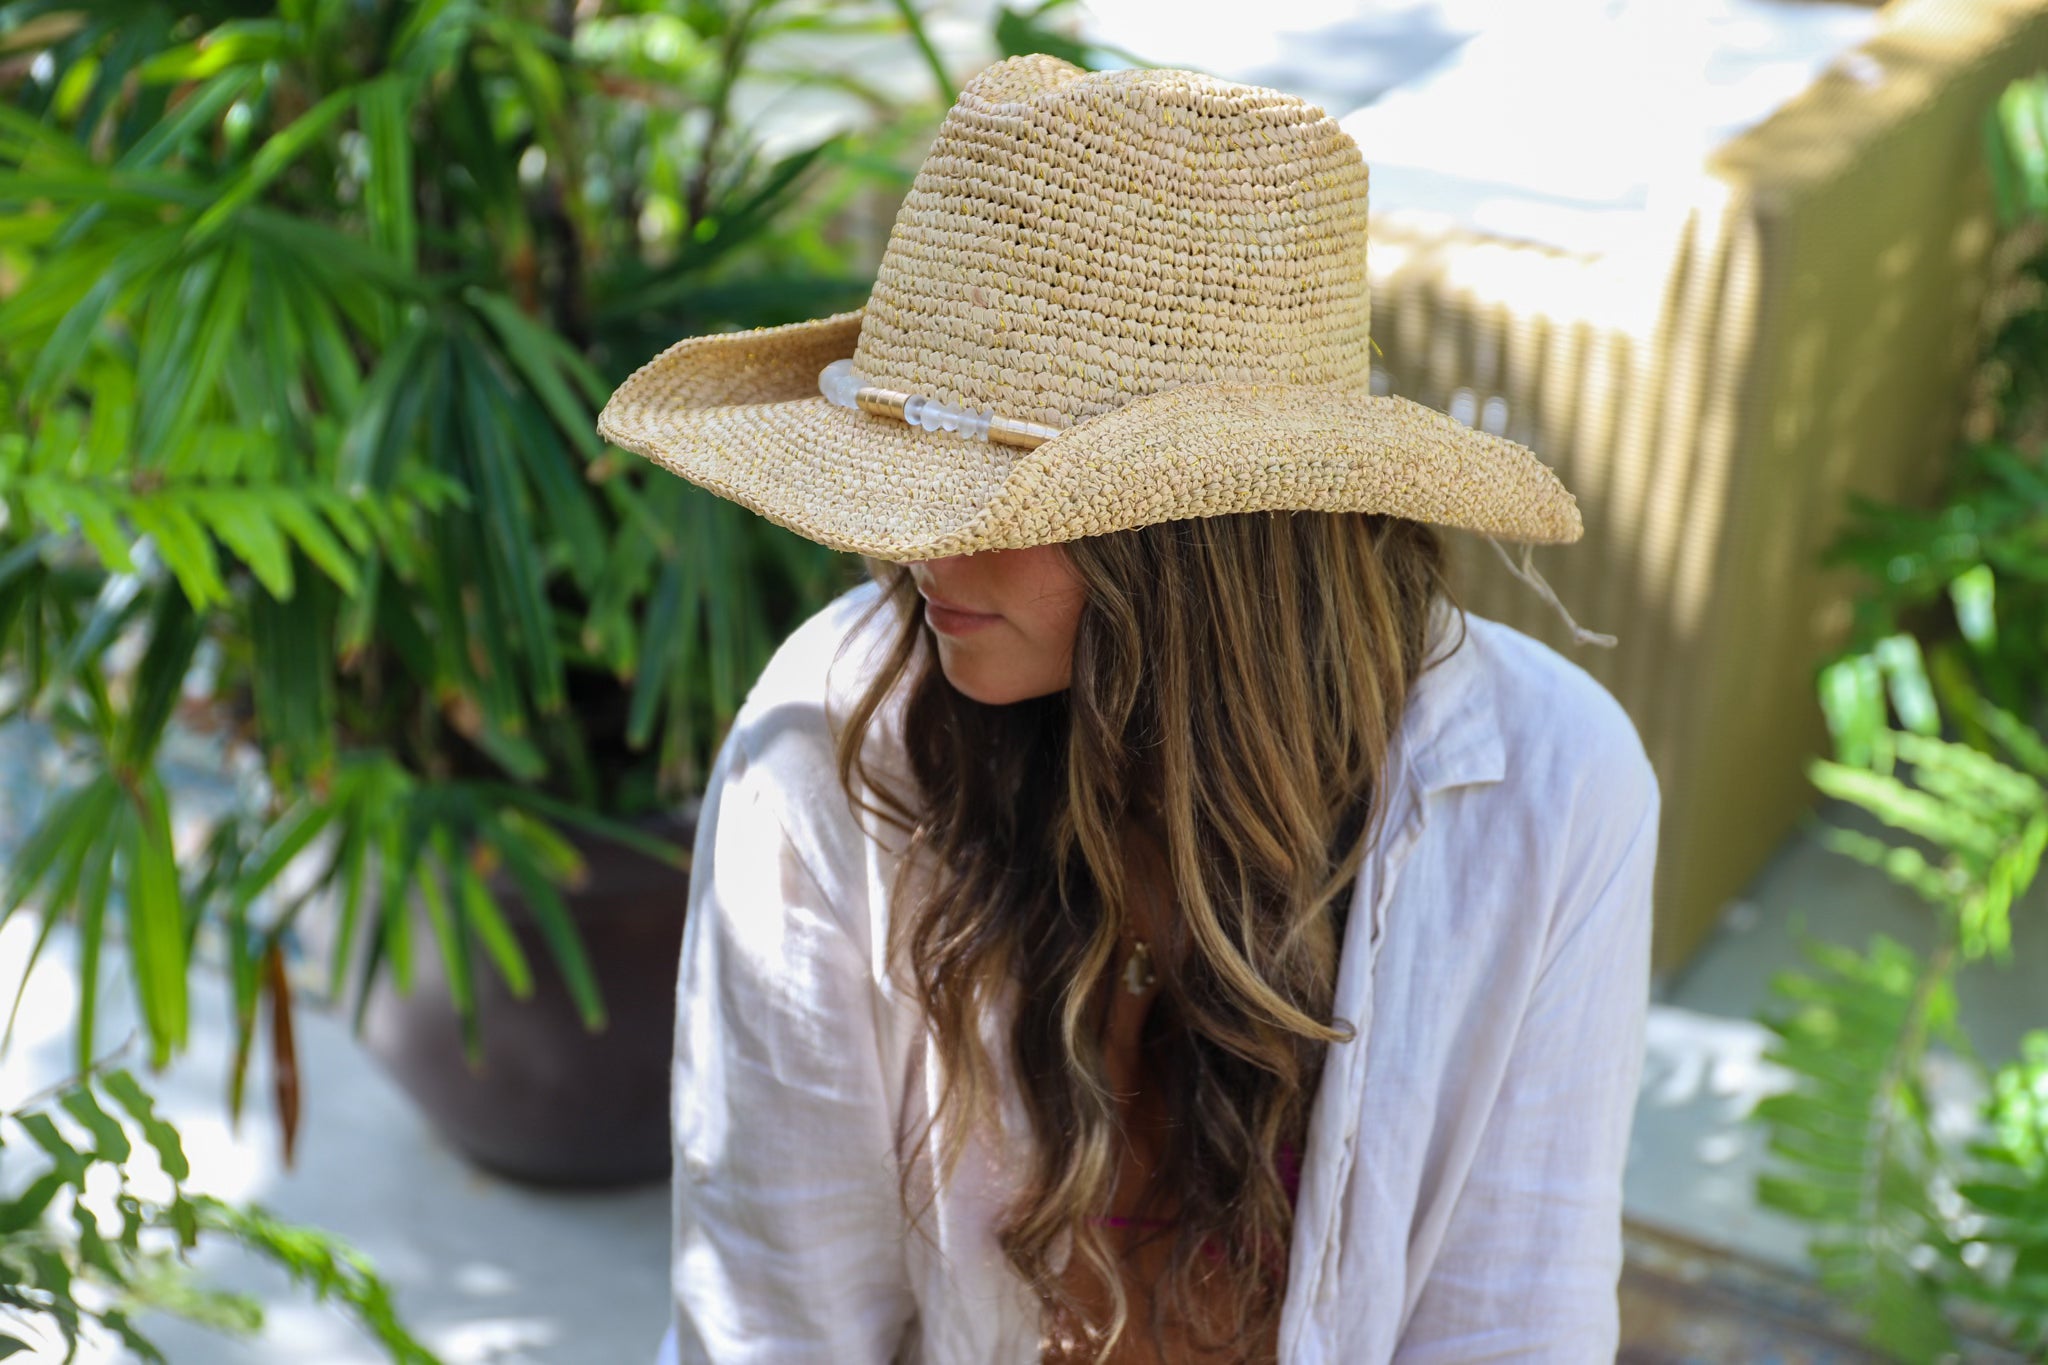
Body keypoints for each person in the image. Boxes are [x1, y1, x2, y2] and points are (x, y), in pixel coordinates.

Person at [604, 54, 1658, 1365]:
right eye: (907, 471)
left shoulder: (1547, 788)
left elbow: (1510, 1322)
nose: (920, 547)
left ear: (1205, 540)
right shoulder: (831, 743)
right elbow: (771, 1320)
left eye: (1004, 496)